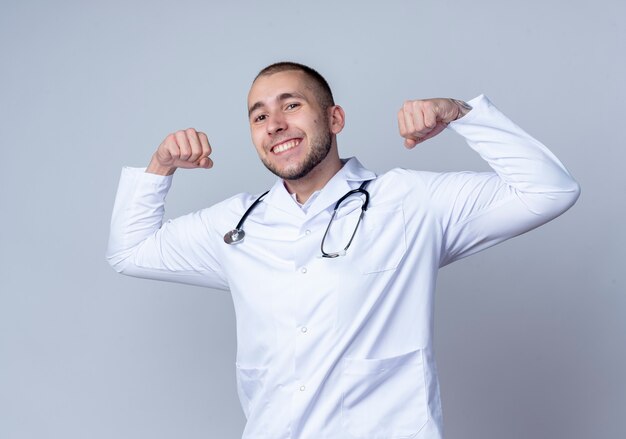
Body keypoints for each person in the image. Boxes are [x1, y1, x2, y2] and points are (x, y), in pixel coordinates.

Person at [106, 61, 580, 438]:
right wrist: (159, 166)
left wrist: (461, 113)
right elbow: (130, 251)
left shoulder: (409, 203)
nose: (274, 124)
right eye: (259, 115)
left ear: (334, 118)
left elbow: (550, 191)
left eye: (291, 105)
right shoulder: (237, 226)